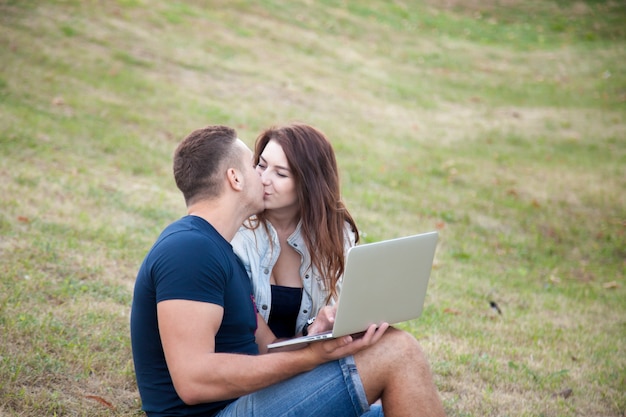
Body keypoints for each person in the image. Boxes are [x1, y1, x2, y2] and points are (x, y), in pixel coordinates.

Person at [130, 124, 446, 417]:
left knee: (399, 398)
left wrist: (320, 340)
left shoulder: (218, 253)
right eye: (255, 166)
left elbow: (266, 348)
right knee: (398, 351)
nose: (262, 177)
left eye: (277, 171)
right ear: (235, 179)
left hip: (254, 400)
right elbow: (193, 382)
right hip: (221, 411)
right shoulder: (189, 250)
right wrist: (310, 358)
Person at [231, 123, 358, 339]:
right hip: (249, 361)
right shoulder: (235, 228)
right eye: (261, 165)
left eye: (280, 174)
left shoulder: (336, 234)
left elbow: (336, 320)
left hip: (312, 359)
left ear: (309, 185)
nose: (263, 179)